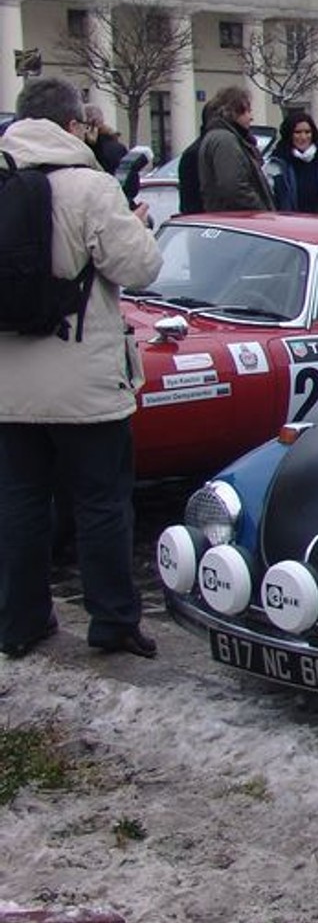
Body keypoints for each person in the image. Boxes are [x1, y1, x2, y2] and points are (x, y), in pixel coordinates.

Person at [0, 76, 163, 660]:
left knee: (18, 502)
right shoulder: (90, 186)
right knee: (101, 503)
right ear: (74, 125)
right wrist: (139, 226)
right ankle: (113, 621)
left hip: (8, 382)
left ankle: (18, 620)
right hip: (84, 376)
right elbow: (139, 269)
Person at [195, 86, 274, 211]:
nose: (251, 117)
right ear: (233, 112)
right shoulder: (225, 140)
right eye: (247, 111)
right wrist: (261, 209)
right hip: (240, 219)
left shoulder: (220, 136)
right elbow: (233, 187)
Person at [271, 108, 318, 212]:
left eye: (307, 132)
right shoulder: (276, 163)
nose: (303, 137)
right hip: (288, 223)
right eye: (297, 132)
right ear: (289, 134)